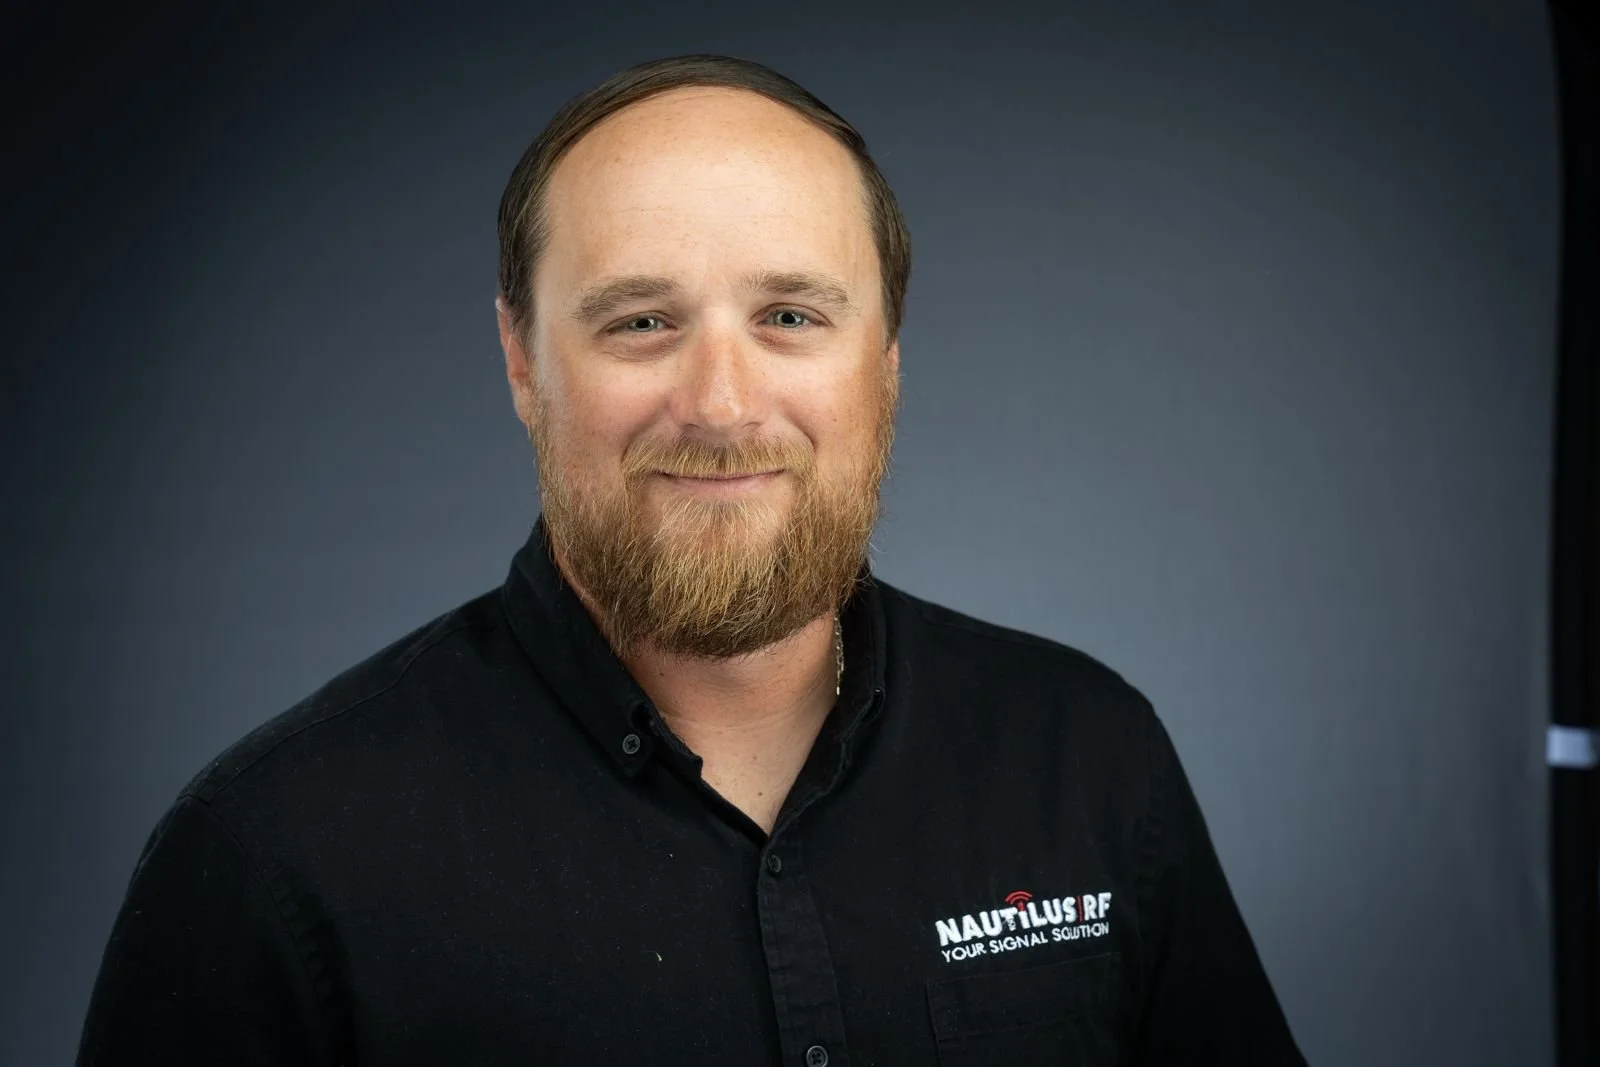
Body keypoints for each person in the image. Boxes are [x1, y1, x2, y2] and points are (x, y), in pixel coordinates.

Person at [78, 53, 1306, 1066]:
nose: (720, 404)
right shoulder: (274, 855)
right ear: (520, 360)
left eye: (789, 317)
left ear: (885, 359)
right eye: (642, 321)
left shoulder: (1086, 755)